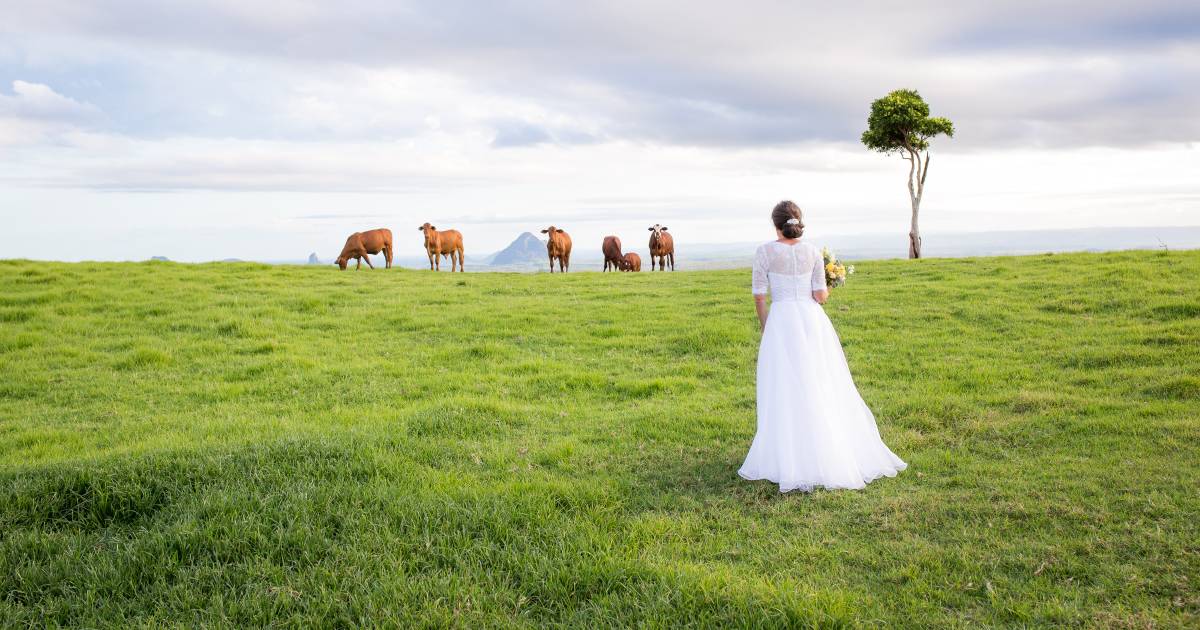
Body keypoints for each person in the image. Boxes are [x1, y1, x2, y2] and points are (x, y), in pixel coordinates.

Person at [738, 200, 907, 492]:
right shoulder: (814, 251)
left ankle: (789, 453)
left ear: (775, 225)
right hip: (811, 320)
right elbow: (820, 296)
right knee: (820, 379)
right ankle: (827, 447)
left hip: (781, 320)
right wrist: (831, 281)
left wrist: (766, 326)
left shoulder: (764, 252)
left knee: (784, 383)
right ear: (798, 222)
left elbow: (758, 295)